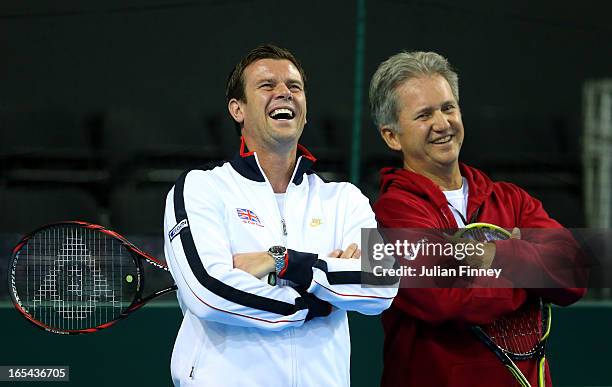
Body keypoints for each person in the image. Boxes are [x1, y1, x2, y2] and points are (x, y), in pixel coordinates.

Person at [163, 44, 397, 387]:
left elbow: (381, 285)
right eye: (267, 85)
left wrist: (286, 262)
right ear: (237, 109)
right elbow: (209, 292)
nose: (284, 93)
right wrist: (310, 304)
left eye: (294, 87)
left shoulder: (344, 199)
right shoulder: (202, 189)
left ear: (305, 112)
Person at [369, 51, 586, 387]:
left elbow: (574, 274)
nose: (442, 124)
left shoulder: (513, 199)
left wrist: (496, 256)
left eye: (448, 107)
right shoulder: (383, 216)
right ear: (391, 136)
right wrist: (532, 276)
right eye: (424, 115)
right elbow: (445, 299)